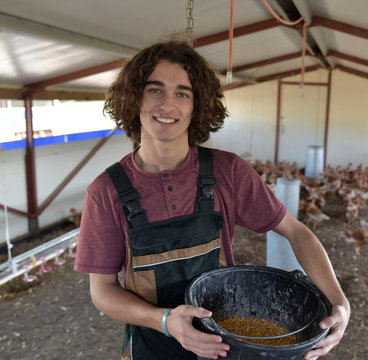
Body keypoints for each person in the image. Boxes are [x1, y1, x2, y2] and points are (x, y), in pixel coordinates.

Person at [74, 34, 350, 360]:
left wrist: (339, 303)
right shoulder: (106, 191)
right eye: (154, 89)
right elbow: (102, 290)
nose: (168, 104)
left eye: (182, 93)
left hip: (225, 348)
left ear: (197, 105)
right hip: (152, 347)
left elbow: (295, 231)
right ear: (134, 99)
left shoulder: (227, 172)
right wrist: (163, 320)